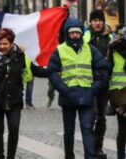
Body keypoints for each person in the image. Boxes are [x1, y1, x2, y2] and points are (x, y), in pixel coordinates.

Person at [0, 28, 47, 159]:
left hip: (15, 100)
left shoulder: (21, 56)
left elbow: (35, 70)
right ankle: (0, 156)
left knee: (14, 129)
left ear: (11, 43)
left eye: (5, 44)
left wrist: (53, 71)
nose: (2, 47)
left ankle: (10, 157)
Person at [48, 17, 109, 159]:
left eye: (77, 32)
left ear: (82, 33)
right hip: (67, 96)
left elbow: (103, 69)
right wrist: (63, 89)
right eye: (71, 33)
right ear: (67, 34)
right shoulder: (60, 50)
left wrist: (94, 88)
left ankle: (90, 156)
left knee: (87, 129)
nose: (75, 35)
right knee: (68, 131)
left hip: (87, 96)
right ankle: (69, 156)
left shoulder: (90, 50)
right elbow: (51, 72)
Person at [84, 9, 115, 158]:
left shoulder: (110, 38)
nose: (97, 23)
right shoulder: (85, 37)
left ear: (103, 21)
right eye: (94, 20)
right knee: (90, 116)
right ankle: (90, 149)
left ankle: (98, 148)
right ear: (90, 22)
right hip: (88, 82)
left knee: (101, 118)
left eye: (99, 20)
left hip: (104, 83)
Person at [108, 27, 126, 159]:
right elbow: (109, 71)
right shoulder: (114, 49)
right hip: (120, 94)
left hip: (118, 93)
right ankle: (121, 155)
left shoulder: (113, 48)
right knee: (123, 129)